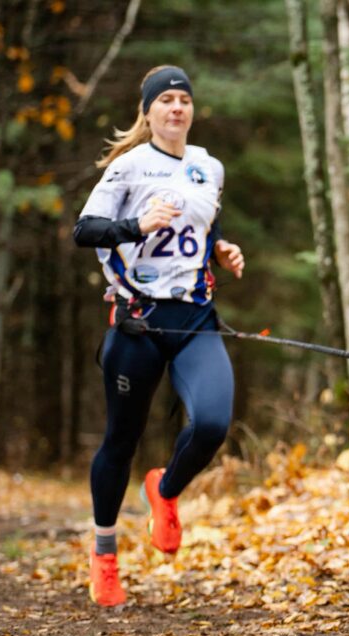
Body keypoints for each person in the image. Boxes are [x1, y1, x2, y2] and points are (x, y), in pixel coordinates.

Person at [74, 65, 245, 607]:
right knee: (121, 440)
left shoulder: (208, 167)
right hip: (138, 320)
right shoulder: (129, 168)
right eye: (165, 100)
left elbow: (204, 223)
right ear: (147, 112)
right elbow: (85, 230)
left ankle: (165, 490)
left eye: (184, 100)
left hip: (194, 316)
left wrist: (220, 248)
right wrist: (136, 228)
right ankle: (105, 559)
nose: (176, 108)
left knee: (214, 422)